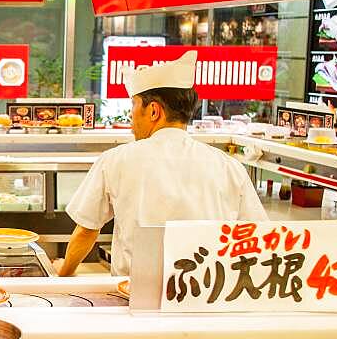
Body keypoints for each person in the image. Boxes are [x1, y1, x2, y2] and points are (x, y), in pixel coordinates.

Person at [56, 51, 268, 277]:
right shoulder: (228, 166)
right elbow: (256, 235)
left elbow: (87, 230)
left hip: (133, 294)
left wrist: (64, 274)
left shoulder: (116, 160)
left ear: (154, 111)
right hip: (204, 296)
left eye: (134, 107)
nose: (131, 119)